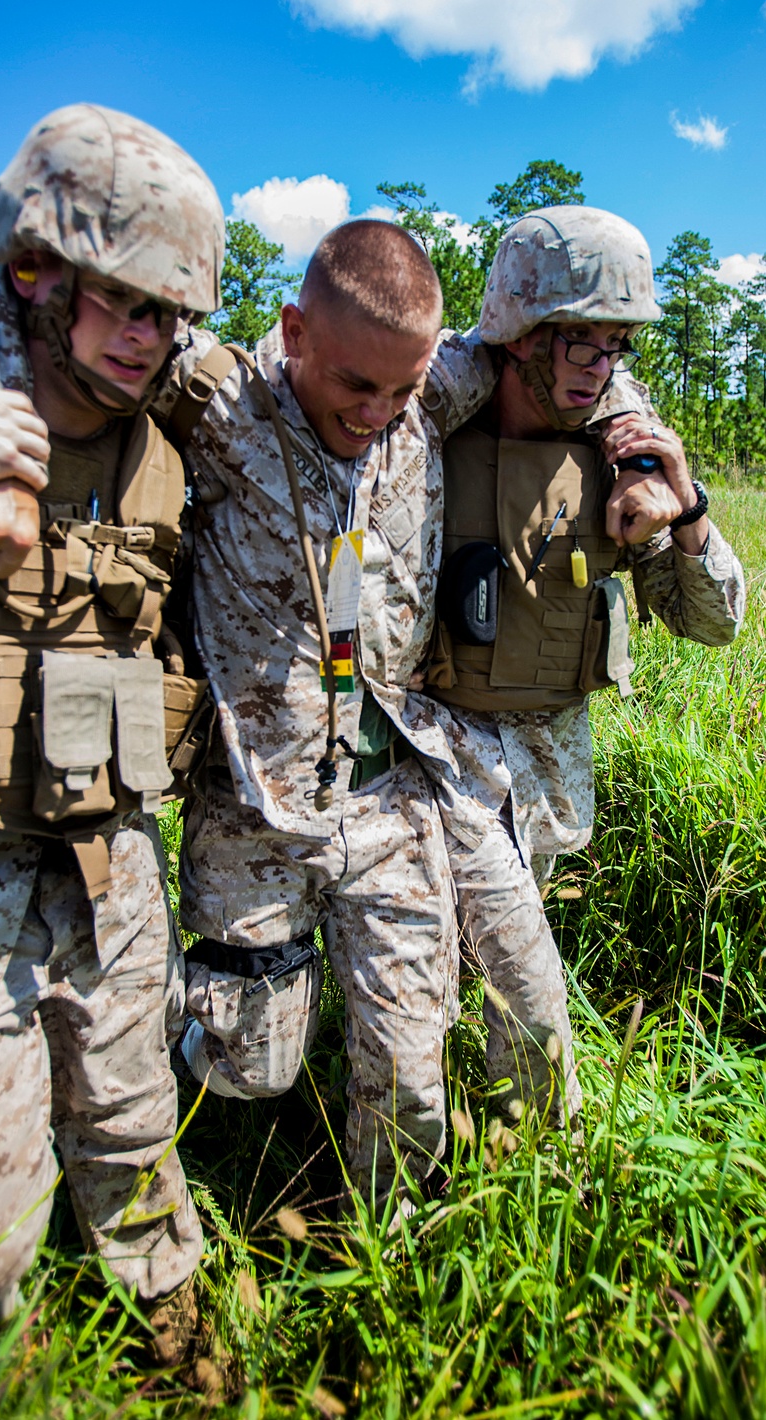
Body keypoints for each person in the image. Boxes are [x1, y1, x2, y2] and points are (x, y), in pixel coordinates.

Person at [0, 103, 225, 1362]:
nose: (151, 339)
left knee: (135, 1140)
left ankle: (172, 1332)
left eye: (172, 314)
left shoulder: (179, 427)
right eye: (126, 304)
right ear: (35, 274)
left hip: (108, 863)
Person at [171, 219, 497, 1203]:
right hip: (251, 803)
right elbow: (78, 345)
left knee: (410, 1069)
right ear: (294, 331)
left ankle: (387, 1247)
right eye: (358, 384)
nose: (382, 411)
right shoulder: (221, 409)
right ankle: (212, 1140)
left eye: (404, 387)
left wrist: (635, 441)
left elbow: (566, 356)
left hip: (388, 793)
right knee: (245, 1066)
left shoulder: (425, 395)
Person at [425, 206, 746, 1122]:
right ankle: (528, 1159)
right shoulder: (433, 417)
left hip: (550, 773)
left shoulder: (623, 448)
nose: (599, 371)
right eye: (580, 347)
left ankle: (495, 1145)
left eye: (614, 349)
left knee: (488, 979)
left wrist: (686, 512)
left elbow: (711, 623)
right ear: (523, 335)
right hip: (440, 751)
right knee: (503, 993)